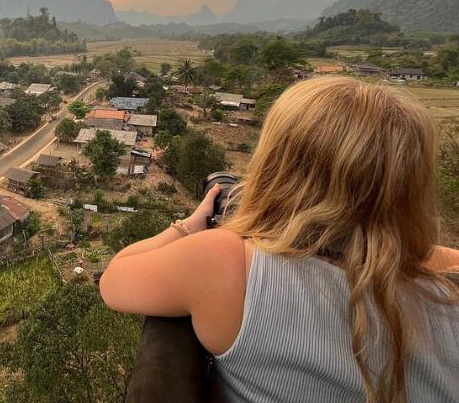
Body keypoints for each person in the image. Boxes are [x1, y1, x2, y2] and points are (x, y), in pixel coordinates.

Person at [100, 77, 459, 402]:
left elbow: (115, 278)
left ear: (278, 168)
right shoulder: (446, 284)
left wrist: (188, 226)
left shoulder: (226, 262)